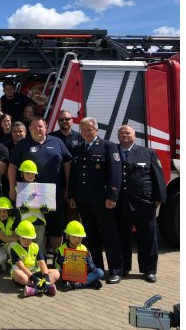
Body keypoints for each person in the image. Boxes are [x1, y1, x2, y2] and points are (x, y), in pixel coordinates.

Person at [67, 117, 124, 284]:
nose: (86, 132)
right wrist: (71, 195)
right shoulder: (77, 149)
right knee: (91, 236)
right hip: (83, 200)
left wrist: (112, 196)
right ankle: (97, 269)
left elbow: (115, 174)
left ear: (97, 130)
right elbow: (74, 176)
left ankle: (115, 270)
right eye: (83, 129)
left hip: (103, 201)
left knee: (109, 235)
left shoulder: (108, 147)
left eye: (90, 129)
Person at [8, 116, 72, 258]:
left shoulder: (57, 142)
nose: (38, 129)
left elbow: (67, 164)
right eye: (35, 126)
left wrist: (68, 187)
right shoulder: (23, 144)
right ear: (29, 129)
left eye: (41, 126)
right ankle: (35, 260)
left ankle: (57, 259)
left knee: (56, 226)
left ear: (46, 127)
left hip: (54, 194)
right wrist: (12, 189)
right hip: (30, 195)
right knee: (35, 227)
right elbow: (12, 166)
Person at [116, 125, 167, 283]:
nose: (125, 135)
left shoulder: (148, 152)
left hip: (144, 204)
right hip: (121, 204)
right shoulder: (113, 152)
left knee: (148, 239)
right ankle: (123, 268)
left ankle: (149, 270)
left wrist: (159, 199)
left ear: (134, 135)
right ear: (118, 136)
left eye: (128, 132)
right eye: (122, 133)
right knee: (122, 238)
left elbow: (158, 177)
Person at [11, 220, 60, 297]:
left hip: (36, 273)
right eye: (24, 238)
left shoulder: (36, 246)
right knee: (18, 274)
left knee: (56, 273)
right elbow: (22, 267)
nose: (27, 241)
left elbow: (42, 263)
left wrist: (46, 278)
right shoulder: (14, 248)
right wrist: (35, 279)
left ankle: (35, 290)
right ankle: (46, 287)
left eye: (29, 239)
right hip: (24, 274)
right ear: (18, 236)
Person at [55, 220, 104, 291]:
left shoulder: (84, 248)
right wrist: (60, 262)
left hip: (82, 274)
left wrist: (90, 264)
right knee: (61, 273)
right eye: (74, 237)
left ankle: (75, 285)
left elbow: (93, 269)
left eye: (80, 237)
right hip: (68, 274)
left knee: (100, 272)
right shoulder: (61, 249)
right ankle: (90, 282)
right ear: (67, 236)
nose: (77, 240)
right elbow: (56, 268)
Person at [14, 160, 48, 250]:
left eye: (32, 174)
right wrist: (22, 207)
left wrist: (45, 208)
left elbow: (47, 203)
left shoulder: (41, 188)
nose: (30, 176)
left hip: (40, 220)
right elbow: (18, 204)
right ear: (22, 174)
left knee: (39, 244)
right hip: (26, 220)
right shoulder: (18, 188)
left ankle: (40, 262)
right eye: (28, 173)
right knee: (25, 245)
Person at [0, 197, 18, 270]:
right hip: (0, 246)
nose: (2, 214)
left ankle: (15, 265)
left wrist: (15, 239)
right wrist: (18, 240)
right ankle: (4, 262)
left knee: (14, 245)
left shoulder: (14, 220)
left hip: (11, 245)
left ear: (9, 211)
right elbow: (4, 238)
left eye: (4, 211)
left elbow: (15, 237)